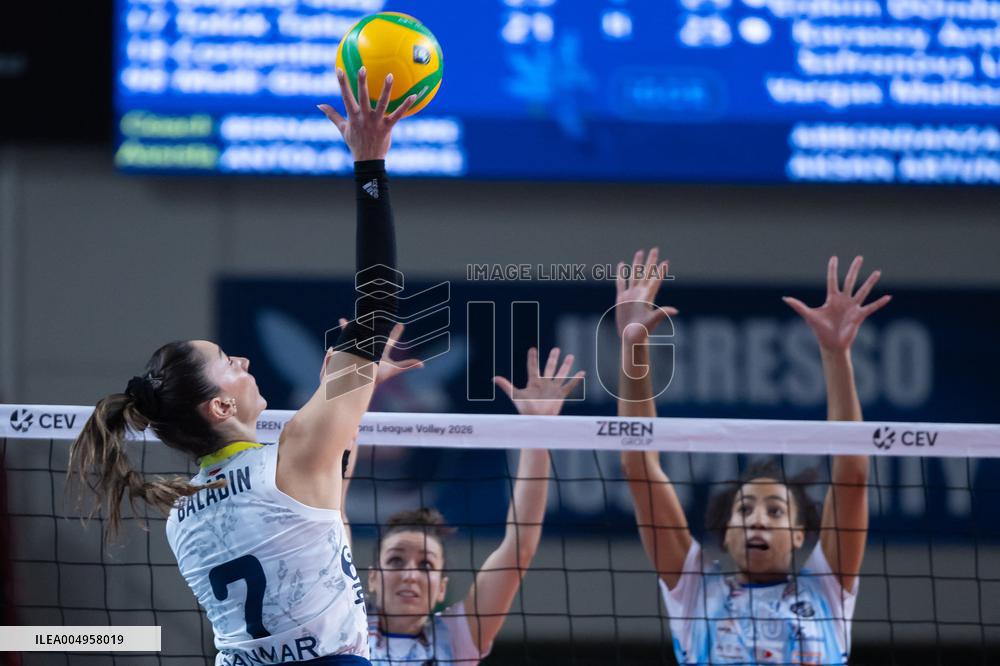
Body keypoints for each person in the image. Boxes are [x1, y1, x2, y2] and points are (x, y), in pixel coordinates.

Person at [68, 68, 418, 666]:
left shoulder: (184, 514)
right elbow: (379, 302)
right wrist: (370, 165)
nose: (246, 360)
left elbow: (315, 518)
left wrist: (346, 400)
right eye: (230, 363)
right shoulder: (298, 453)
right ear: (221, 406)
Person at [618, 250, 889, 665]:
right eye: (745, 509)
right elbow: (639, 466)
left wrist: (837, 355)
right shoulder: (695, 592)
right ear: (725, 534)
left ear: (801, 535)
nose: (758, 519)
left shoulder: (826, 587)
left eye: (776, 511)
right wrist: (634, 347)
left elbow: (852, 475)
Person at [343, 347, 584, 665]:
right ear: (371, 578)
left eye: (426, 565)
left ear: (442, 588)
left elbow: (519, 547)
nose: (410, 575)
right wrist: (359, 397)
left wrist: (538, 430)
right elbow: (334, 510)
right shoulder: (347, 627)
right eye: (396, 560)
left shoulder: (457, 635)